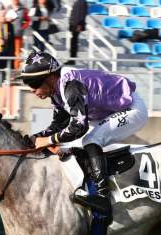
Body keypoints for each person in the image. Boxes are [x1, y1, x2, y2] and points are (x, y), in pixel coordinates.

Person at [19, 51, 148, 220]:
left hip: (131, 107)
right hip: (106, 113)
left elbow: (79, 125)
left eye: (35, 84)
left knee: (90, 139)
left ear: (50, 77)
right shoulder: (56, 91)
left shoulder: (70, 86)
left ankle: (103, 197)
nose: (33, 90)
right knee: (73, 145)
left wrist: (49, 140)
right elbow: (59, 124)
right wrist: (34, 138)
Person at [5, 0, 31, 70]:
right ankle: (8, 68)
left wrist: (22, 28)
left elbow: (28, 20)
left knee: (17, 53)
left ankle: (15, 70)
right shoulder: (7, 8)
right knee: (8, 51)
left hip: (18, 34)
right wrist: (7, 20)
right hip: (8, 34)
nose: (15, 1)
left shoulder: (23, 9)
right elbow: (2, 18)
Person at [68, 0, 87, 65]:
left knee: (74, 43)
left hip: (77, 25)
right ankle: (72, 59)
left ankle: (72, 59)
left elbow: (82, 14)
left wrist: (79, 25)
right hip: (74, 24)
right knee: (73, 42)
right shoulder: (78, 2)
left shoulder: (82, 2)